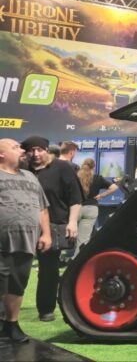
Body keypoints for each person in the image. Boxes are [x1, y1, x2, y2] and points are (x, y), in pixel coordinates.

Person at [22, 136, 82, 322]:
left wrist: (72, 222)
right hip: (24, 225)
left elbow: (76, 198)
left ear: (47, 150)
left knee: (48, 270)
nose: (36, 154)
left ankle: (46, 309)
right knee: (17, 268)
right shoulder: (23, 169)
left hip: (54, 224)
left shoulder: (62, 168)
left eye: (39, 149)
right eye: (32, 150)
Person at [0, 138, 51, 342]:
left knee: (18, 283)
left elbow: (42, 208)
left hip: (26, 241)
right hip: (2, 240)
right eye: (15, 147)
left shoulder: (30, 176)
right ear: (1, 154)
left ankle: (12, 325)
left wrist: (46, 233)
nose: (22, 150)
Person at [74, 158, 117, 258]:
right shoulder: (97, 178)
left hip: (76, 208)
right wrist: (102, 195)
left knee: (70, 233)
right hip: (91, 208)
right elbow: (114, 187)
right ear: (94, 166)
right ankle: (76, 260)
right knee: (83, 239)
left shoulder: (76, 177)